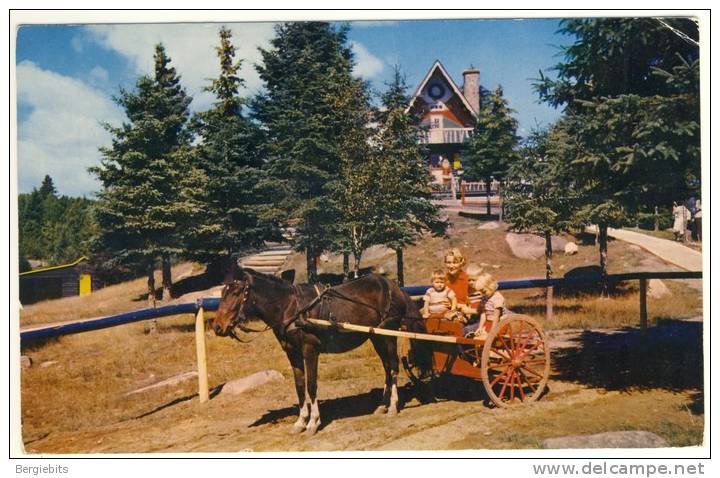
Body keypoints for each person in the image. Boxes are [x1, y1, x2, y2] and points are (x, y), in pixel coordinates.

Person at [463, 273, 506, 340]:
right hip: (488, 323)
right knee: (476, 338)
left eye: (484, 291)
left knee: (481, 339)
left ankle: (485, 348)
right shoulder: (484, 298)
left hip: (498, 325)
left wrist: (492, 332)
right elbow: (483, 314)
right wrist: (480, 327)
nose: (482, 294)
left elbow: (496, 317)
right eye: (481, 292)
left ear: (490, 286)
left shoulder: (497, 298)